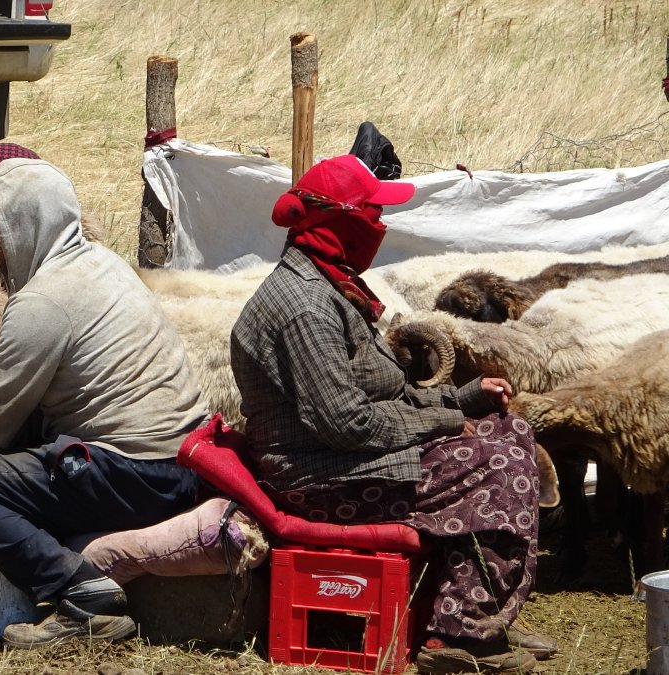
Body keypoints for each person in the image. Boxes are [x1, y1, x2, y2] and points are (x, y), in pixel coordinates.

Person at [230, 154, 557, 673]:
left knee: (510, 430)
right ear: (343, 221)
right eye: (373, 214)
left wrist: (462, 398)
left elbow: (383, 397)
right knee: (497, 469)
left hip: (344, 458)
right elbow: (345, 422)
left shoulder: (330, 285)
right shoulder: (306, 308)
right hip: (320, 478)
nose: (381, 226)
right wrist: (445, 421)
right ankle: (458, 636)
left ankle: (487, 611)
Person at [0, 157, 208, 648]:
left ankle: (83, 593)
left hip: (133, 472)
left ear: (25, 226)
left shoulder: (43, 303)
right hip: (178, 463)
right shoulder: (103, 264)